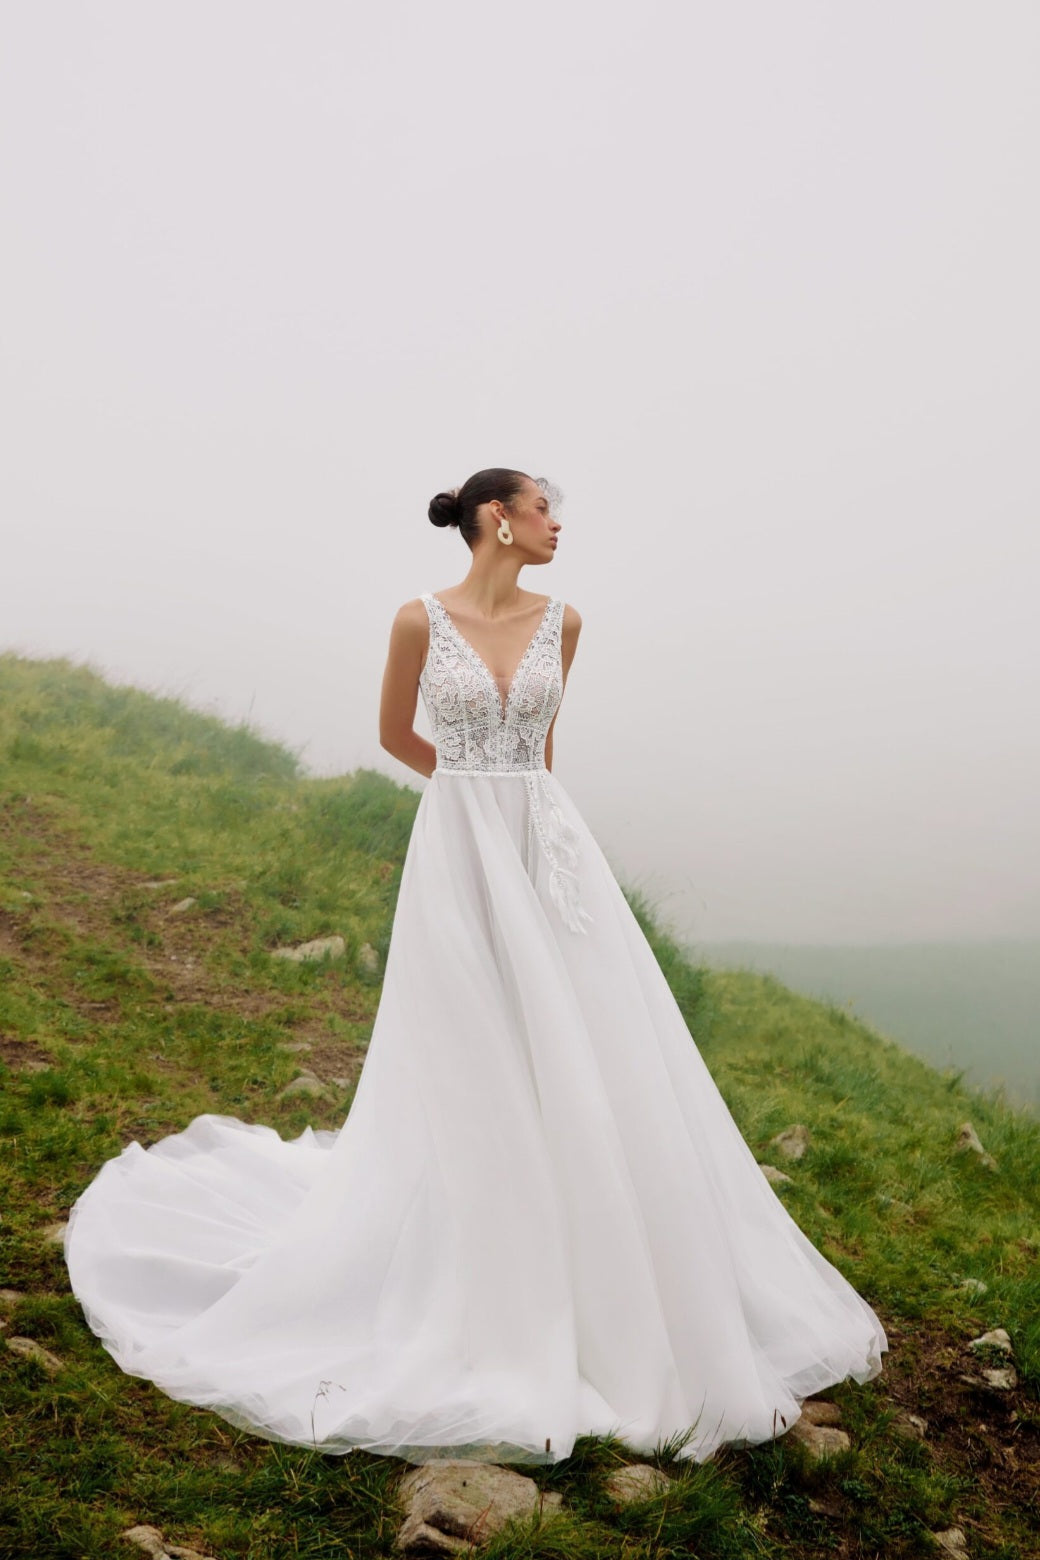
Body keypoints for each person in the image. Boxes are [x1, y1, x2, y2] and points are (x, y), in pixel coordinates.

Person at [64, 466, 887, 1467]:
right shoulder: (417, 620)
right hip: (456, 843)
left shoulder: (564, 622)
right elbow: (390, 733)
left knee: (581, 1039)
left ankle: (600, 1247)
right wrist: (465, 797)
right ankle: (476, 1255)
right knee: (469, 1037)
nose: (557, 529)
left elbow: (542, 744)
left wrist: (534, 834)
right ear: (497, 517)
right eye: (546, 511)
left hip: (545, 842)